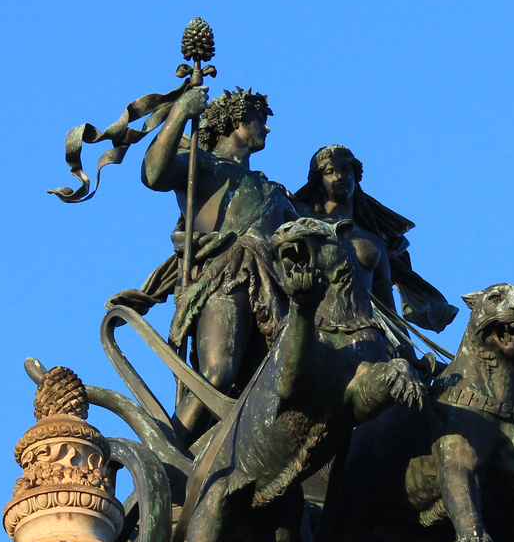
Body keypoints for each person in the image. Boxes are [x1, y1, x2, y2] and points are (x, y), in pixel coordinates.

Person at [135, 87, 299, 443]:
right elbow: (153, 175)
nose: (266, 129)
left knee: (278, 386)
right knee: (217, 374)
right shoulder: (202, 164)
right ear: (238, 119)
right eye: (261, 120)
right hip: (227, 275)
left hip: (274, 289)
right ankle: (169, 456)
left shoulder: (272, 190)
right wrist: (180, 114)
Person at [291, 145, 459, 335]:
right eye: (330, 172)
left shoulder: (372, 240)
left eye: (346, 169)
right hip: (314, 325)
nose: (339, 177)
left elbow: (386, 305)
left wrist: (406, 351)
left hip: (367, 327)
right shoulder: (302, 223)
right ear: (319, 182)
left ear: (356, 177)